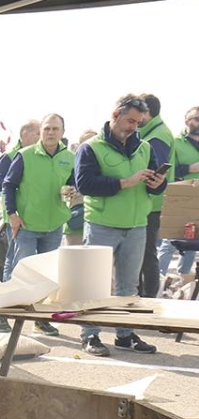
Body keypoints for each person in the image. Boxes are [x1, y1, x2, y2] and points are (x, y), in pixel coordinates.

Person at [74, 94, 167, 356]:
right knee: (94, 284)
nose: (133, 127)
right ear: (115, 115)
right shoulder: (90, 148)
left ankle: (125, 334)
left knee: (128, 287)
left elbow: (158, 188)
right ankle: (89, 335)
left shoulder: (146, 148)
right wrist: (125, 182)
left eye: (138, 123)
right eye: (129, 121)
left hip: (136, 226)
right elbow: (85, 184)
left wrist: (158, 185)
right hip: (102, 224)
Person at [2, 114, 75, 337]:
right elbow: (8, 185)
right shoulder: (25, 155)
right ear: (41, 132)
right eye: (47, 129)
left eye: (55, 129)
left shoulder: (70, 157)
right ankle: (3, 313)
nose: (51, 133)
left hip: (54, 224)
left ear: (62, 132)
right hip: (26, 224)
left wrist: (72, 189)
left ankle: (40, 319)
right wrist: (13, 215)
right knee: (20, 271)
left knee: (47, 275)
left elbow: (73, 182)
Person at [0, 119, 40, 331]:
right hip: (15, 217)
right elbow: (0, 185)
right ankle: (3, 310)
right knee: (13, 261)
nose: (41, 136)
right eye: (38, 132)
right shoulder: (10, 156)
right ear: (26, 134)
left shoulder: (38, 155)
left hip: (34, 218)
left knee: (22, 262)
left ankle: (20, 311)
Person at [136, 94, 173, 298]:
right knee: (145, 253)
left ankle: (148, 299)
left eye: (139, 112)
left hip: (151, 203)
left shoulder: (156, 137)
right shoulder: (155, 132)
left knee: (146, 254)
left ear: (147, 112)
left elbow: (156, 172)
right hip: (151, 203)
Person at [158, 105, 199, 275]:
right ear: (186, 121)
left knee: (194, 238)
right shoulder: (175, 142)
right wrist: (190, 168)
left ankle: (183, 280)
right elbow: (170, 169)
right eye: (196, 119)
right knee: (171, 239)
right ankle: (159, 277)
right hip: (182, 197)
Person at [64, 129, 99, 247]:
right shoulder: (70, 163)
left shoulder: (103, 164)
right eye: (86, 142)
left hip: (98, 226)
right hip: (76, 224)